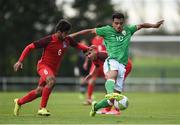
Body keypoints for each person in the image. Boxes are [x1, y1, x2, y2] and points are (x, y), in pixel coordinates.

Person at [70, 12, 164, 117]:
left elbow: (141, 25)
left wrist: (154, 26)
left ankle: (95, 107)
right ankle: (109, 93)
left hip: (122, 66)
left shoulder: (128, 30)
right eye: (116, 23)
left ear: (123, 23)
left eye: (120, 23)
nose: (118, 25)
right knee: (112, 76)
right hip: (112, 61)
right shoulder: (106, 30)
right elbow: (89, 31)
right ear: (112, 23)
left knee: (112, 100)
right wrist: (72, 36)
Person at [13, 19, 90, 116]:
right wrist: (20, 61)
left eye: (68, 33)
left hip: (52, 70)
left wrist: (88, 48)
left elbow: (78, 45)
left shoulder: (67, 40)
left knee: (39, 92)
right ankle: (42, 108)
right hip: (43, 66)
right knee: (51, 81)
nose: (67, 35)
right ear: (58, 32)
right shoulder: (48, 40)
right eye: (65, 33)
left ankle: (19, 102)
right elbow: (29, 47)